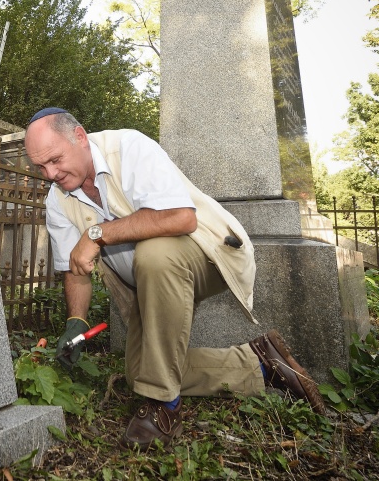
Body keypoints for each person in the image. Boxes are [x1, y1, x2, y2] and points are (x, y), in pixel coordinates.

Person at [24, 107, 326, 449]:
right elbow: (74, 269)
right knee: (142, 373)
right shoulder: (57, 200)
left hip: (206, 254)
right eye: (40, 167)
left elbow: (181, 218)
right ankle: (259, 364)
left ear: (79, 137)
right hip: (145, 285)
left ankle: (163, 406)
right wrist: (76, 321)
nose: (50, 173)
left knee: (154, 254)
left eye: (55, 159)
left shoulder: (128, 148)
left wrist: (96, 233)